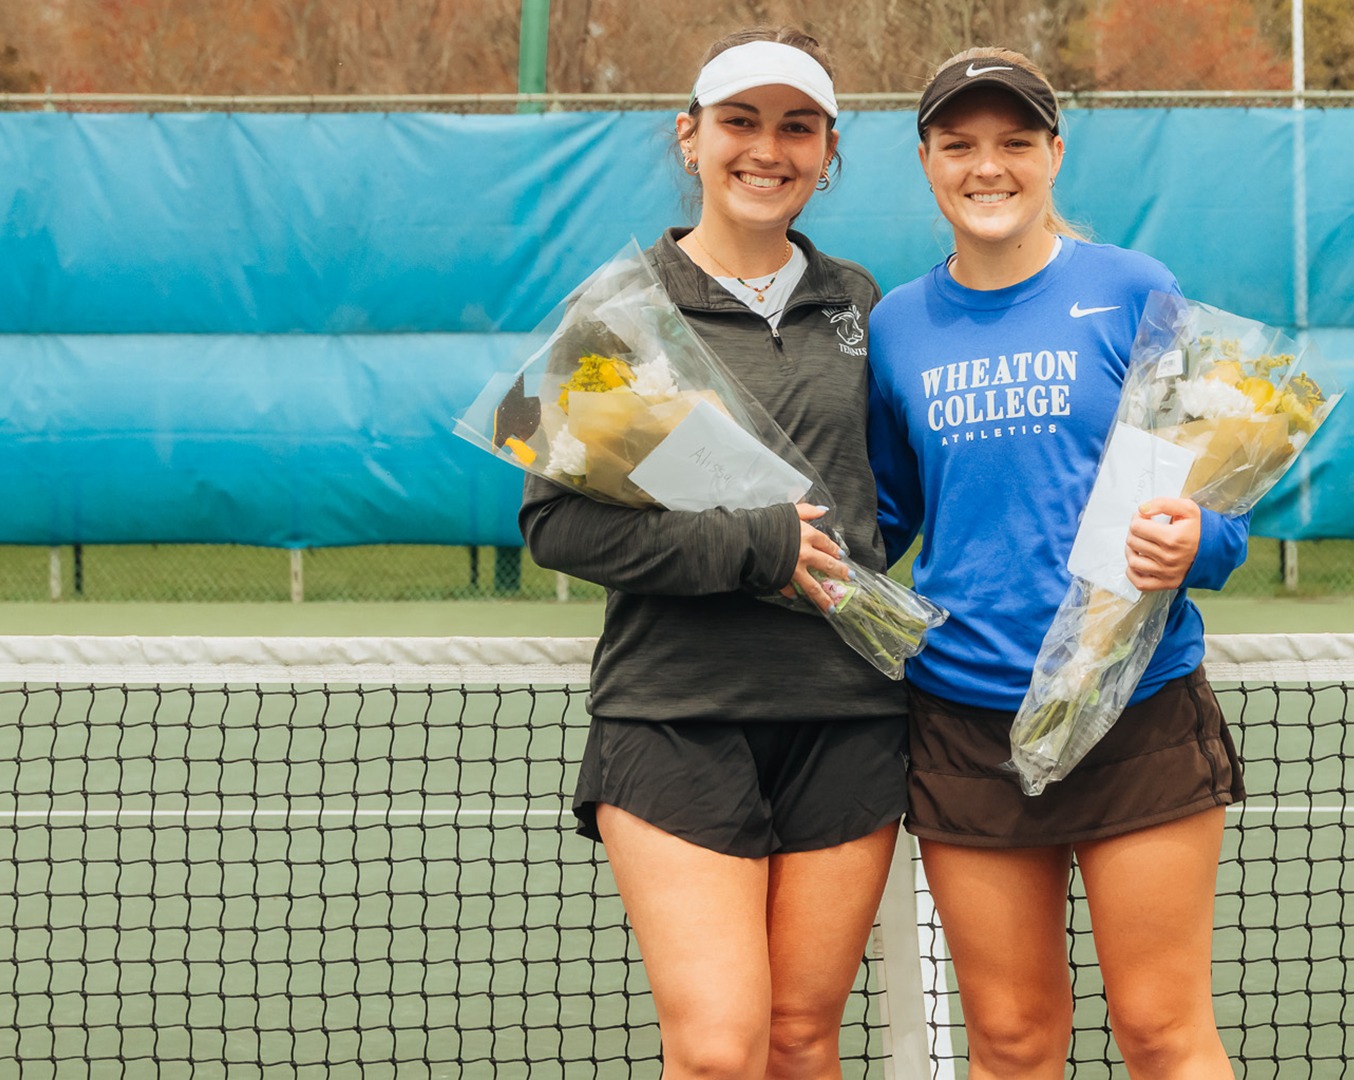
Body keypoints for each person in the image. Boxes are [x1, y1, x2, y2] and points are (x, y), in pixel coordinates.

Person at [520, 28, 906, 1080]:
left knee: (801, 1041)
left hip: (847, 717)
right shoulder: (615, 312)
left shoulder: (862, 303)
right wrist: (753, 547)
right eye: (740, 122)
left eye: (797, 128)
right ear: (690, 137)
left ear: (828, 151)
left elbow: (884, 500)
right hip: (674, 714)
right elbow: (557, 527)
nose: (767, 149)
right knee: (719, 1049)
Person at [865, 47, 1251, 1078]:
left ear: (1054, 153)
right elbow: (890, 515)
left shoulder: (1133, 289)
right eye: (959, 145)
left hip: (1135, 708)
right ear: (927, 161)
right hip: (965, 723)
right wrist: (769, 534)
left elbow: (1216, 504)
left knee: (1162, 1033)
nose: (987, 167)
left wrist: (1197, 542)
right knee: (1012, 1039)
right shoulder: (896, 325)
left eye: (1014, 142)